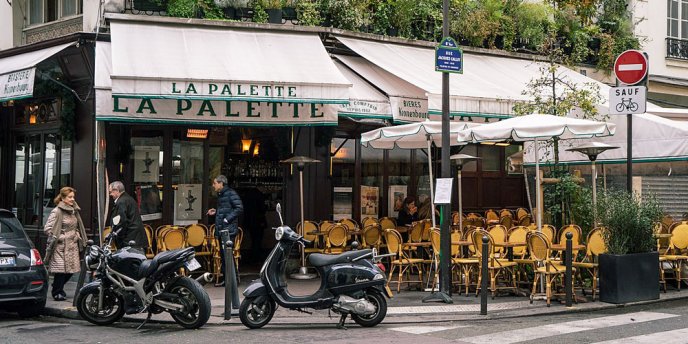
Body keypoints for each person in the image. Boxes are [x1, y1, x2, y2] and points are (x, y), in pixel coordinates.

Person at [43, 187, 88, 301]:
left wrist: (77, 235)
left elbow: (76, 226)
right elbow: (47, 229)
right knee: (61, 271)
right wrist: (62, 238)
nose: (73, 199)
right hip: (61, 246)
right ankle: (57, 292)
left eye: (73, 197)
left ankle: (58, 286)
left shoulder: (74, 210)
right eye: (70, 197)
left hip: (72, 245)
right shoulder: (57, 211)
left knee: (71, 271)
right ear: (63, 198)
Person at [207, 175, 243, 287]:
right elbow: (226, 209)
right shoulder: (222, 194)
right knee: (224, 256)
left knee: (228, 255)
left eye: (215, 183)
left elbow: (239, 208)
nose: (213, 185)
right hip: (222, 229)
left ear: (221, 184)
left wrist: (227, 219)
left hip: (228, 230)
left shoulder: (231, 193)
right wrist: (216, 211)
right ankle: (228, 279)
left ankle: (233, 280)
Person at [108, 181, 148, 250]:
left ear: (116, 190)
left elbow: (121, 222)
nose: (110, 195)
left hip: (130, 240)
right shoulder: (129, 199)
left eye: (110, 192)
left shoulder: (121, 202)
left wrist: (119, 238)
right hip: (136, 239)